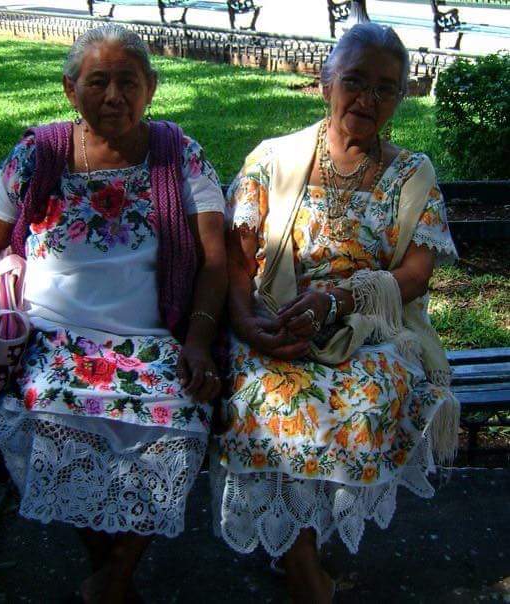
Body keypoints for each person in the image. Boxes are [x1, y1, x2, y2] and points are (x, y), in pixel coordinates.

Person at [0, 24, 227, 603]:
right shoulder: (37, 154)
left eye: (129, 81)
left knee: (180, 417)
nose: (114, 96)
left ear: (152, 87)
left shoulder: (180, 154)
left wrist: (196, 341)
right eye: (98, 82)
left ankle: (108, 582)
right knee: (44, 413)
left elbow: (216, 263)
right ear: (71, 89)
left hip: (151, 335)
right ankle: (114, 580)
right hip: (51, 335)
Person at [212, 23, 458, 603]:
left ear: (401, 96)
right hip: (276, 321)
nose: (368, 99)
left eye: (386, 88)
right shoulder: (274, 159)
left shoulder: (410, 174)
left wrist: (341, 299)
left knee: (367, 394)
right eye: (355, 82)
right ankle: (304, 571)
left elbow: (417, 277)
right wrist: (251, 327)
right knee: (257, 395)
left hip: (372, 330)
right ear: (325, 82)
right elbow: (237, 258)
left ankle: (302, 557)